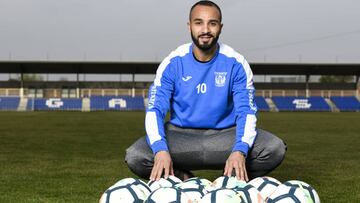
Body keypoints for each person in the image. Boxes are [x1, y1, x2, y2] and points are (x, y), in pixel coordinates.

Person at [125, 0, 286, 182]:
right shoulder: (172, 63)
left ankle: (226, 182)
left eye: (212, 23)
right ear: (189, 26)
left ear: (220, 27)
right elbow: (155, 110)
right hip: (180, 136)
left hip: (226, 135)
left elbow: (246, 112)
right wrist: (161, 149)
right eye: (199, 22)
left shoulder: (236, 63)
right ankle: (183, 179)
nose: (205, 29)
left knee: (273, 148)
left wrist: (240, 150)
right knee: (137, 156)